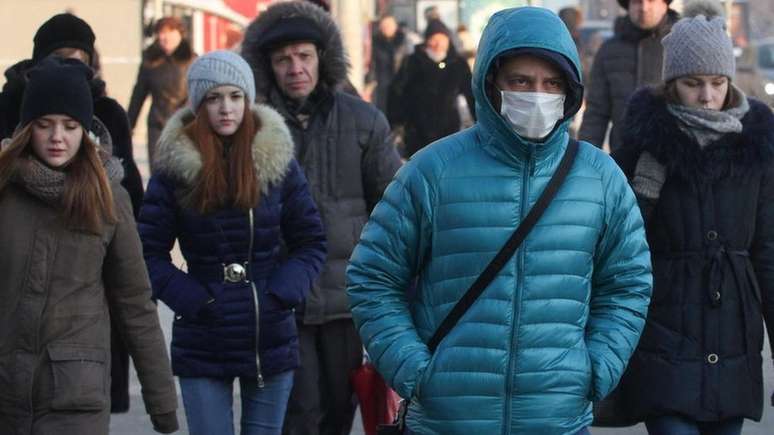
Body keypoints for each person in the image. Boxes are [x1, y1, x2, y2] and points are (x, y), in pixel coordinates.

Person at [346, 6, 653, 435]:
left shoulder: (600, 179)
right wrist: (415, 370)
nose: (538, 95)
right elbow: (372, 277)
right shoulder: (432, 171)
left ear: (570, 91)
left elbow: (628, 283)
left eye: (552, 84)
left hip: (556, 420)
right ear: (491, 84)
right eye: (521, 82)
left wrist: (597, 367)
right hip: (447, 421)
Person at [137, 50, 326, 435]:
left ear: (248, 99)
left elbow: (311, 241)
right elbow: (147, 253)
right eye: (214, 97)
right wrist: (193, 299)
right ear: (198, 103)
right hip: (203, 335)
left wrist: (280, 294)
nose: (226, 108)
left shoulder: (276, 161)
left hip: (268, 334)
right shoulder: (175, 167)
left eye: (236, 96)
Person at [240, 2, 403, 434]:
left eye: (304, 56)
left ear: (322, 58)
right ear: (267, 66)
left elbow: (393, 209)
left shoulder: (364, 121)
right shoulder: (250, 127)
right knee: (300, 413)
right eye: (283, 59)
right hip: (281, 298)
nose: (295, 68)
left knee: (338, 409)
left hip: (345, 300)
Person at [612, 6, 774, 434]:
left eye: (717, 83)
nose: (706, 96)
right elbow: (616, 247)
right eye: (692, 83)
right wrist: (645, 189)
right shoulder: (645, 144)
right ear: (671, 85)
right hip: (665, 334)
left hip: (733, 340)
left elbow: (768, 252)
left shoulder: (755, 146)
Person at [0, 57, 178, 435]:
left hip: (74, 398)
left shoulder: (108, 200)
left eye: (69, 126)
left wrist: (161, 401)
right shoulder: (5, 192)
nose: (57, 137)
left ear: (86, 131)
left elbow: (135, 304)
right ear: (26, 129)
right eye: (44, 125)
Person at [579, 0, 679, 152]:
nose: (644, 8)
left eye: (651, 1)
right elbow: (596, 114)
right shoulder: (609, 51)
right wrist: (585, 163)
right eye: (637, 1)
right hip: (623, 161)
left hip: (673, 160)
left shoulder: (681, 47)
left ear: (665, 3)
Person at [387, 18, 475, 158]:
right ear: (427, 40)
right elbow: (397, 92)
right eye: (434, 39)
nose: (438, 44)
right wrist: (396, 122)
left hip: (449, 130)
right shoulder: (412, 61)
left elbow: (471, 94)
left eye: (442, 39)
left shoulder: (458, 63)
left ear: (448, 41)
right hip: (417, 130)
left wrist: (480, 121)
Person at [127, 16, 196, 172]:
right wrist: (127, 127)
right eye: (161, 33)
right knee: (158, 175)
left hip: (185, 126)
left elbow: (200, 96)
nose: (164, 37)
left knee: (184, 175)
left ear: (179, 33)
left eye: (169, 32)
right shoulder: (150, 61)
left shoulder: (192, 60)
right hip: (157, 126)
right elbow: (138, 94)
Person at [365, 14, 412, 113]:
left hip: (401, 82)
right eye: (384, 25)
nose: (387, 28)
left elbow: (410, 61)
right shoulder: (376, 42)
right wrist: (370, 82)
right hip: (382, 83)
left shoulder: (404, 40)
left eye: (389, 25)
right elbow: (372, 64)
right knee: (382, 111)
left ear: (395, 26)